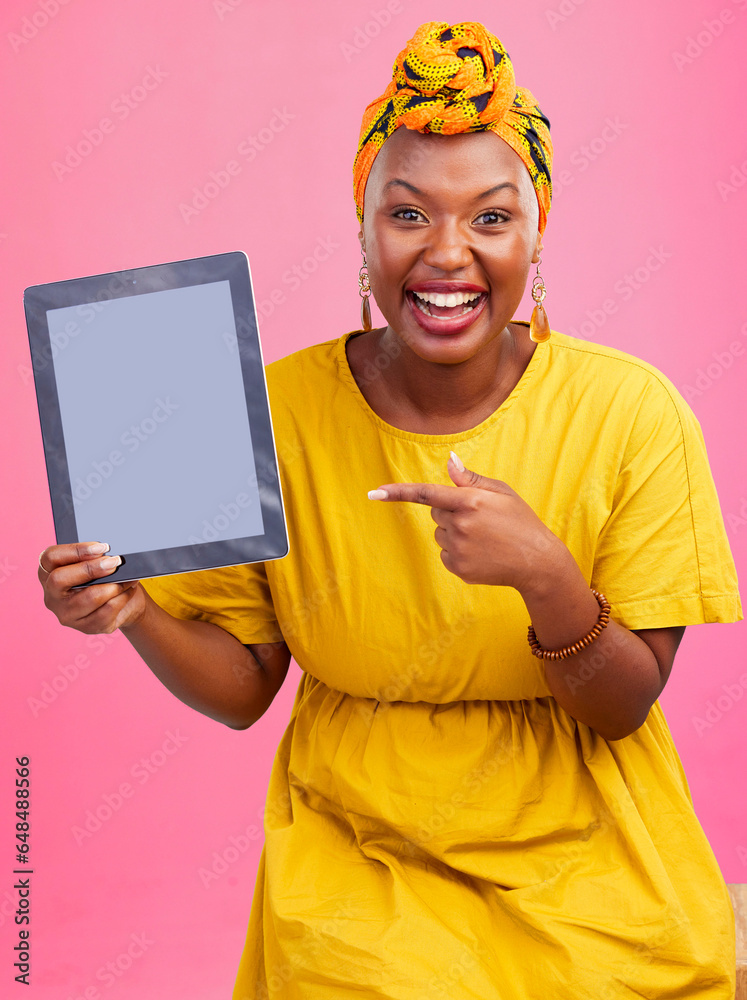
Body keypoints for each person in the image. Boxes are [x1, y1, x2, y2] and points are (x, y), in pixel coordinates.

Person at [38, 21, 742, 1000]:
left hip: (590, 874)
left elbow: (624, 706)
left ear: (538, 235)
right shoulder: (269, 410)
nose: (447, 253)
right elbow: (244, 691)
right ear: (362, 230)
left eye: (492, 218)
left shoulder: (635, 412)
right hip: (356, 877)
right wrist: (135, 609)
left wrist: (544, 574)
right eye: (407, 214)